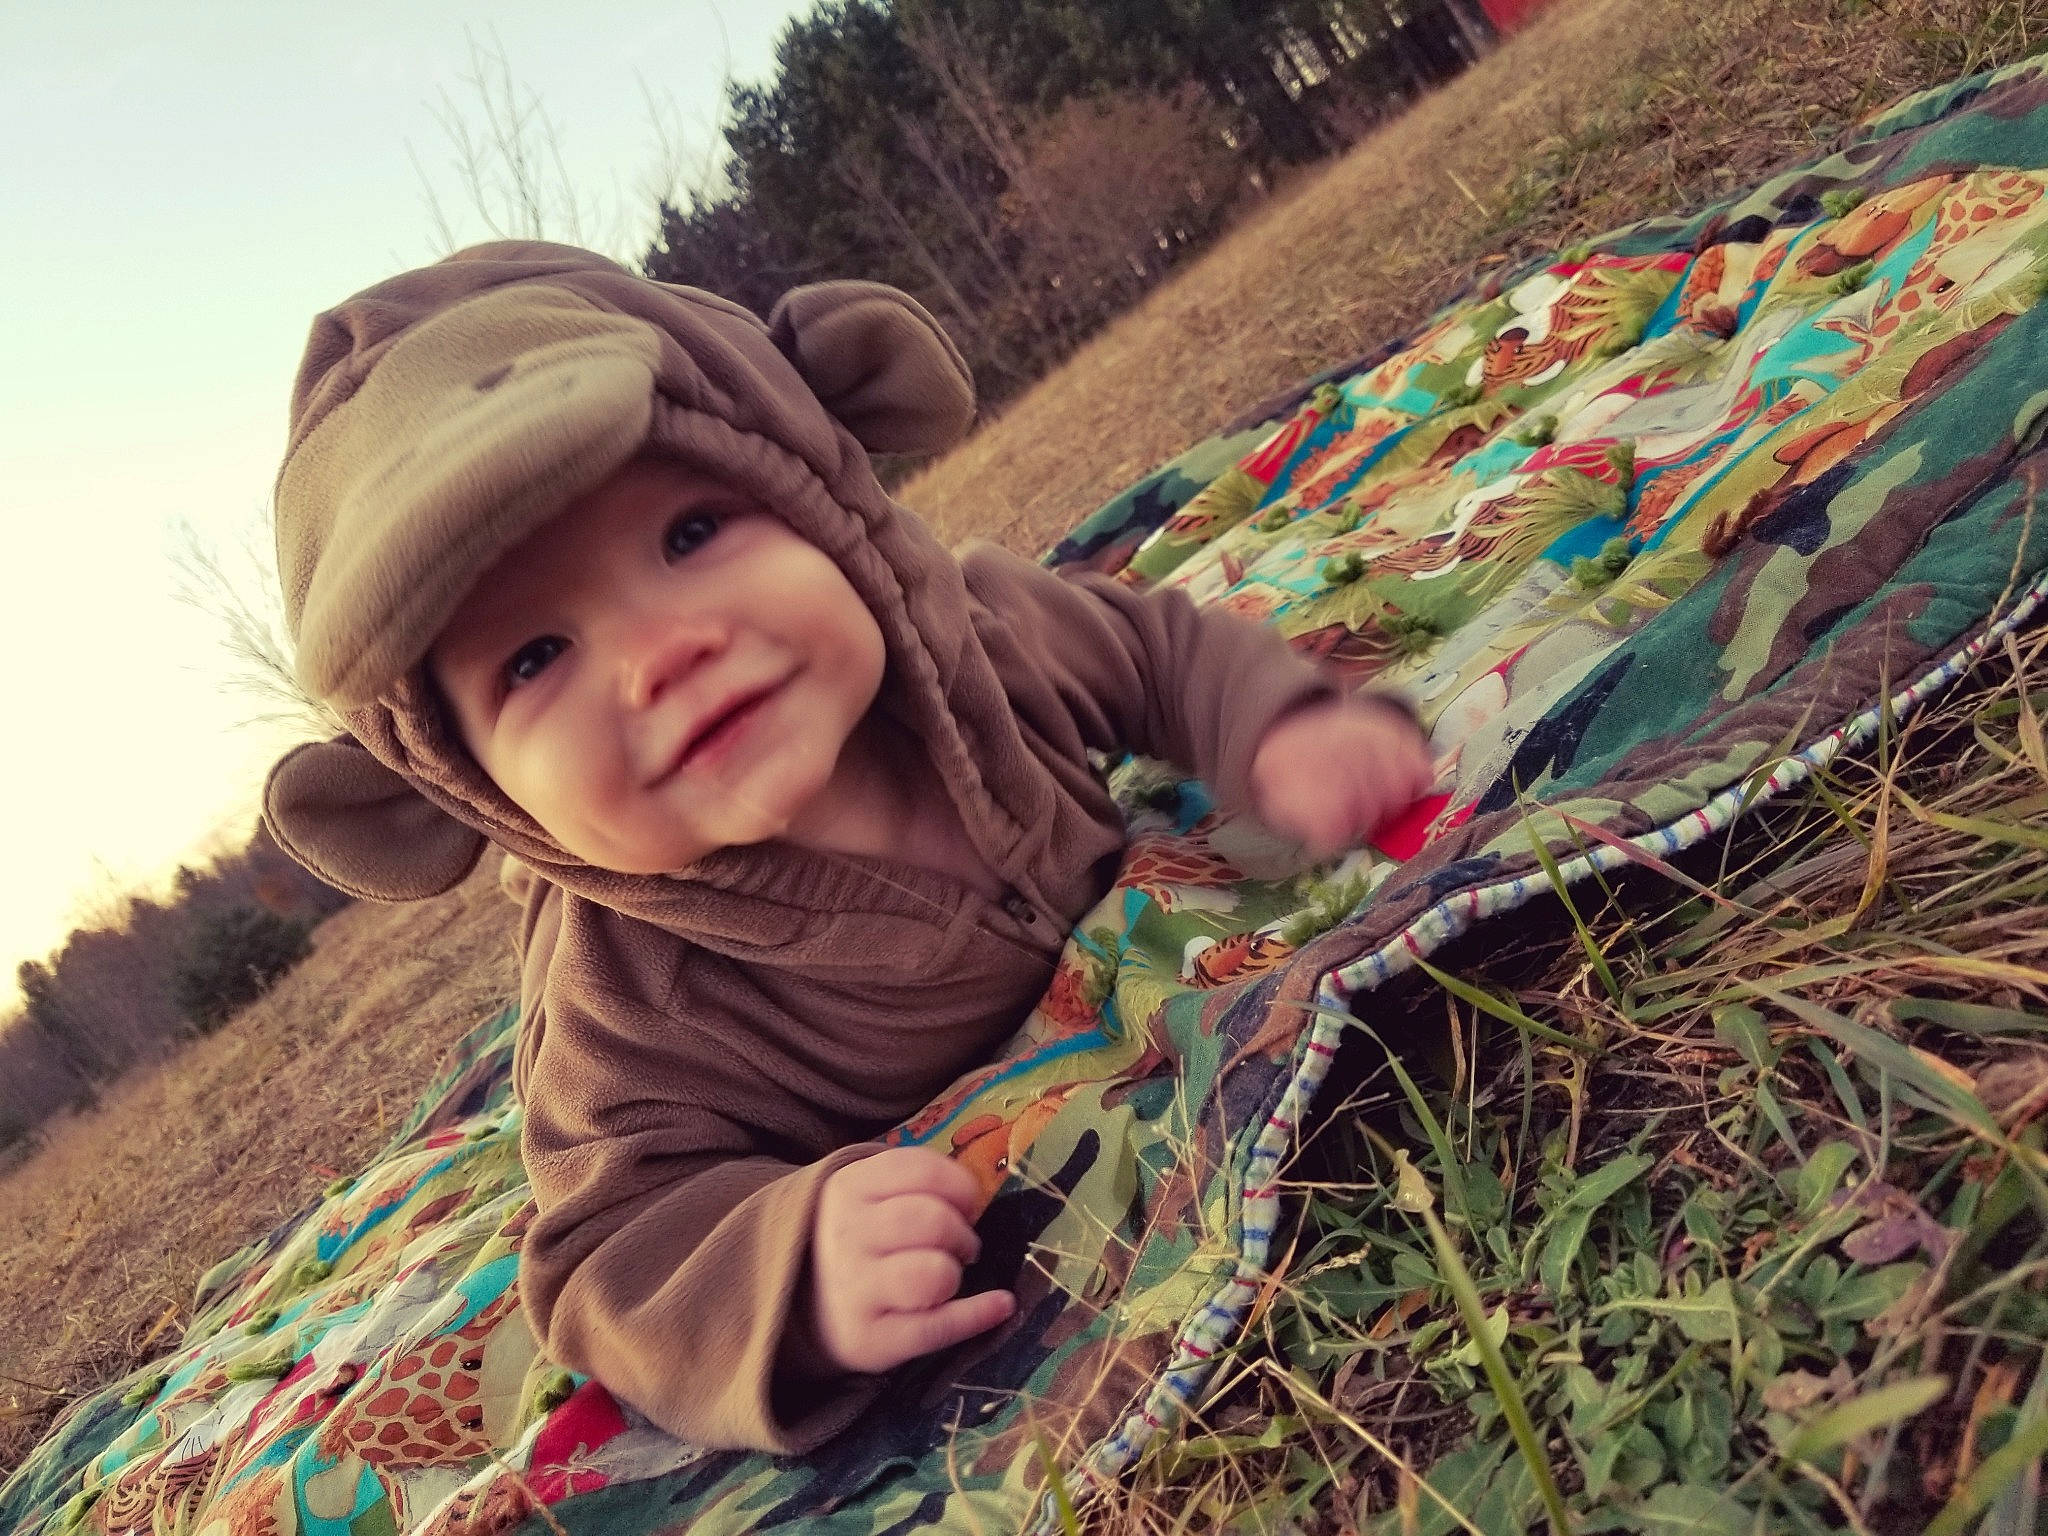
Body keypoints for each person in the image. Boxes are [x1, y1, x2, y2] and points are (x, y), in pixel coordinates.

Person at [262, 241, 1433, 1454]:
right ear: (471, 790)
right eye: (533, 659)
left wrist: (1276, 726)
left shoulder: (974, 643)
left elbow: (1151, 649)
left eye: (691, 532)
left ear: (817, 493)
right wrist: (791, 1265)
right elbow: (605, 1254)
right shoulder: (626, 1008)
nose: (656, 652)